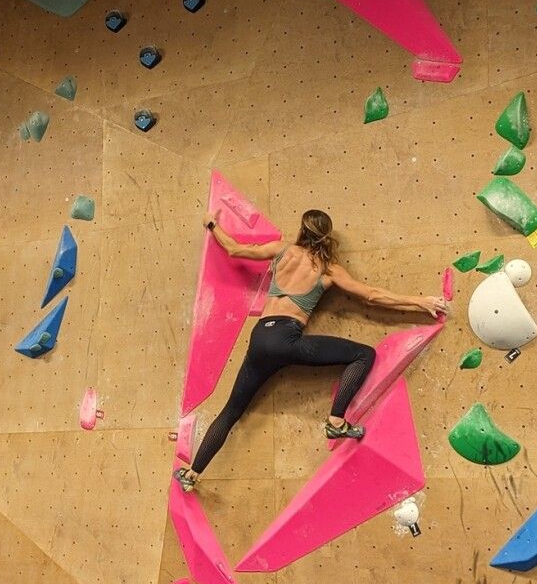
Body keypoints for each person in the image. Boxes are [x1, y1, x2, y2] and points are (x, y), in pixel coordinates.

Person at [175, 209, 448, 492]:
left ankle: (192, 473)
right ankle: (336, 420)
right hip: (287, 339)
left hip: (260, 339)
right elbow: (371, 295)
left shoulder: (281, 250)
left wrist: (212, 224)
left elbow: (233, 249)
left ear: (302, 230)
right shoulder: (328, 269)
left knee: (230, 412)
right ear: (326, 236)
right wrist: (420, 301)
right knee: (364, 354)